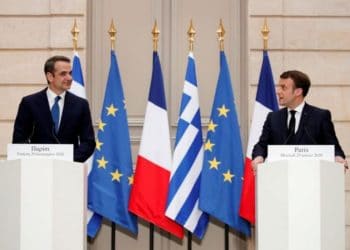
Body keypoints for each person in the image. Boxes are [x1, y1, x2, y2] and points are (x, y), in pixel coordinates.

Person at [252, 70, 347, 172]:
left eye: (283, 87)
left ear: (298, 92)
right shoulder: (273, 117)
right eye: (279, 87)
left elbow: (333, 146)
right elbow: (262, 145)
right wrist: (259, 157)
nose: (278, 91)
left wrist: (338, 158)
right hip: (280, 178)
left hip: (312, 178)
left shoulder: (320, 116)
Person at [12, 55, 96, 162]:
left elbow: (88, 142)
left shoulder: (80, 104)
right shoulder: (29, 103)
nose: (69, 78)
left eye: (70, 73)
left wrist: (69, 160)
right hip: (37, 169)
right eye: (63, 74)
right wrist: (35, 160)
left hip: (69, 169)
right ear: (50, 77)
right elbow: (19, 140)